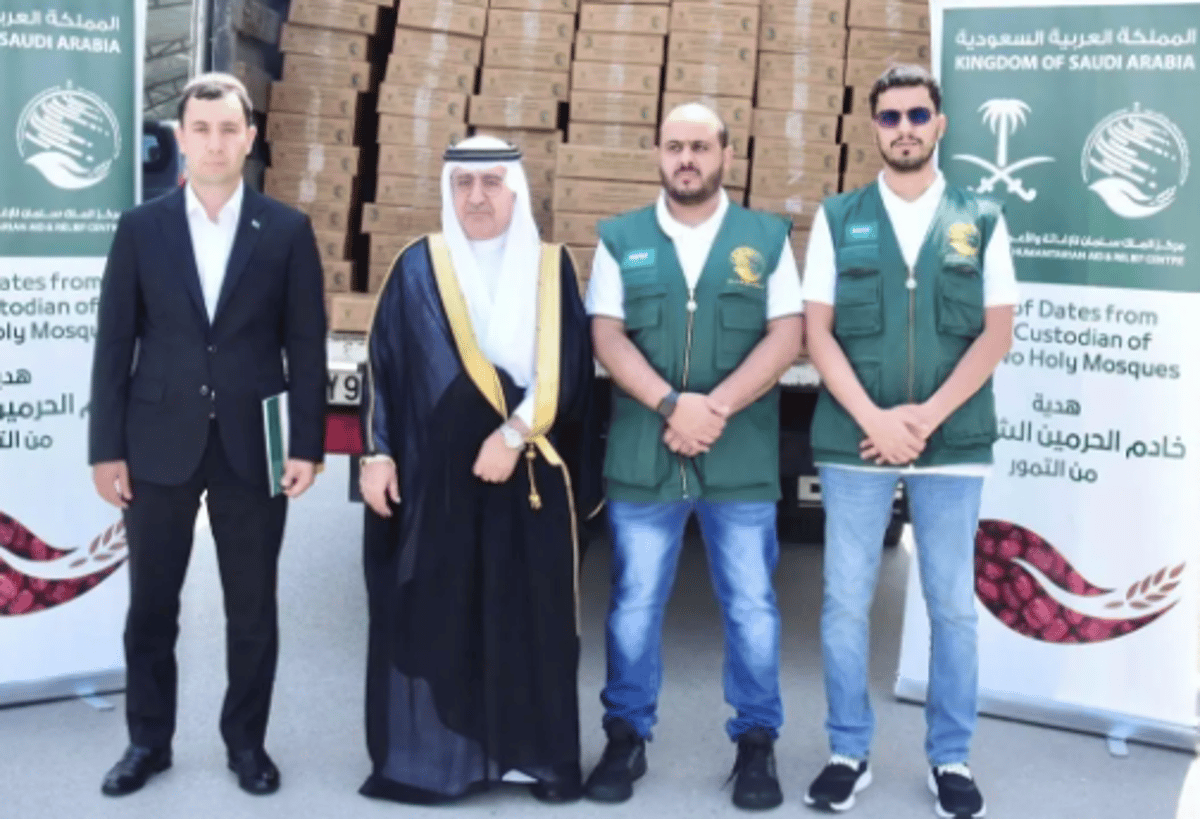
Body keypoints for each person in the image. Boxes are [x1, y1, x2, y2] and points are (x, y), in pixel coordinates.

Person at [88, 73, 327, 797]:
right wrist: (105, 447)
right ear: (182, 138)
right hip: (157, 442)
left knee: (252, 609)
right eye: (202, 129)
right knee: (150, 607)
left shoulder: (286, 231)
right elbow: (114, 343)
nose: (216, 143)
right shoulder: (142, 228)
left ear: (249, 138)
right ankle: (147, 742)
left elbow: (305, 346)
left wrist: (307, 444)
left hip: (253, 448)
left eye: (229, 129)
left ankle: (246, 744)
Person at [356, 135, 599, 805]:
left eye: (492, 182)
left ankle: (529, 759)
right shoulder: (417, 265)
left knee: (528, 618)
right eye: (464, 184)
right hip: (440, 481)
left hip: (527, 476)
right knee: (445, 613)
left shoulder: (551, 267)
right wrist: (377, 453)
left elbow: (568, 369)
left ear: (515, 190)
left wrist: (513, 435)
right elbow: (384, 366)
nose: (478, 197)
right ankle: (444, 757)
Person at [800, 65, 1016, 818]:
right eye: (889, 117)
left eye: (916, 115)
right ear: (875, 129)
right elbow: (817, 332)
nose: (904, 129)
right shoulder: (838, 217)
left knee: (952, 606)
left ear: (939, 124)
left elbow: (996, 333)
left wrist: (921, 421)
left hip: (952, 442)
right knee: (843, 603)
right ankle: (846, 751)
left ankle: (951, 756)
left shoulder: (981, 217)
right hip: (854, 439)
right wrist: (876, 420)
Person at [583, 103, 804, 810]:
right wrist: (671, 404)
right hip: (646, 454)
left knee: (752, 607)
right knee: (633, 605)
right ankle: (625, 737)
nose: (686, 158)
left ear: (726, 156)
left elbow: (786, 335)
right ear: (657, 153)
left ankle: (757, 743)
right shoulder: (620, 239)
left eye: (700, 147)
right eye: (674, 146)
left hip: (738, 456)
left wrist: (714, 408)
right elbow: (607, 335)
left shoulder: (765, 239)